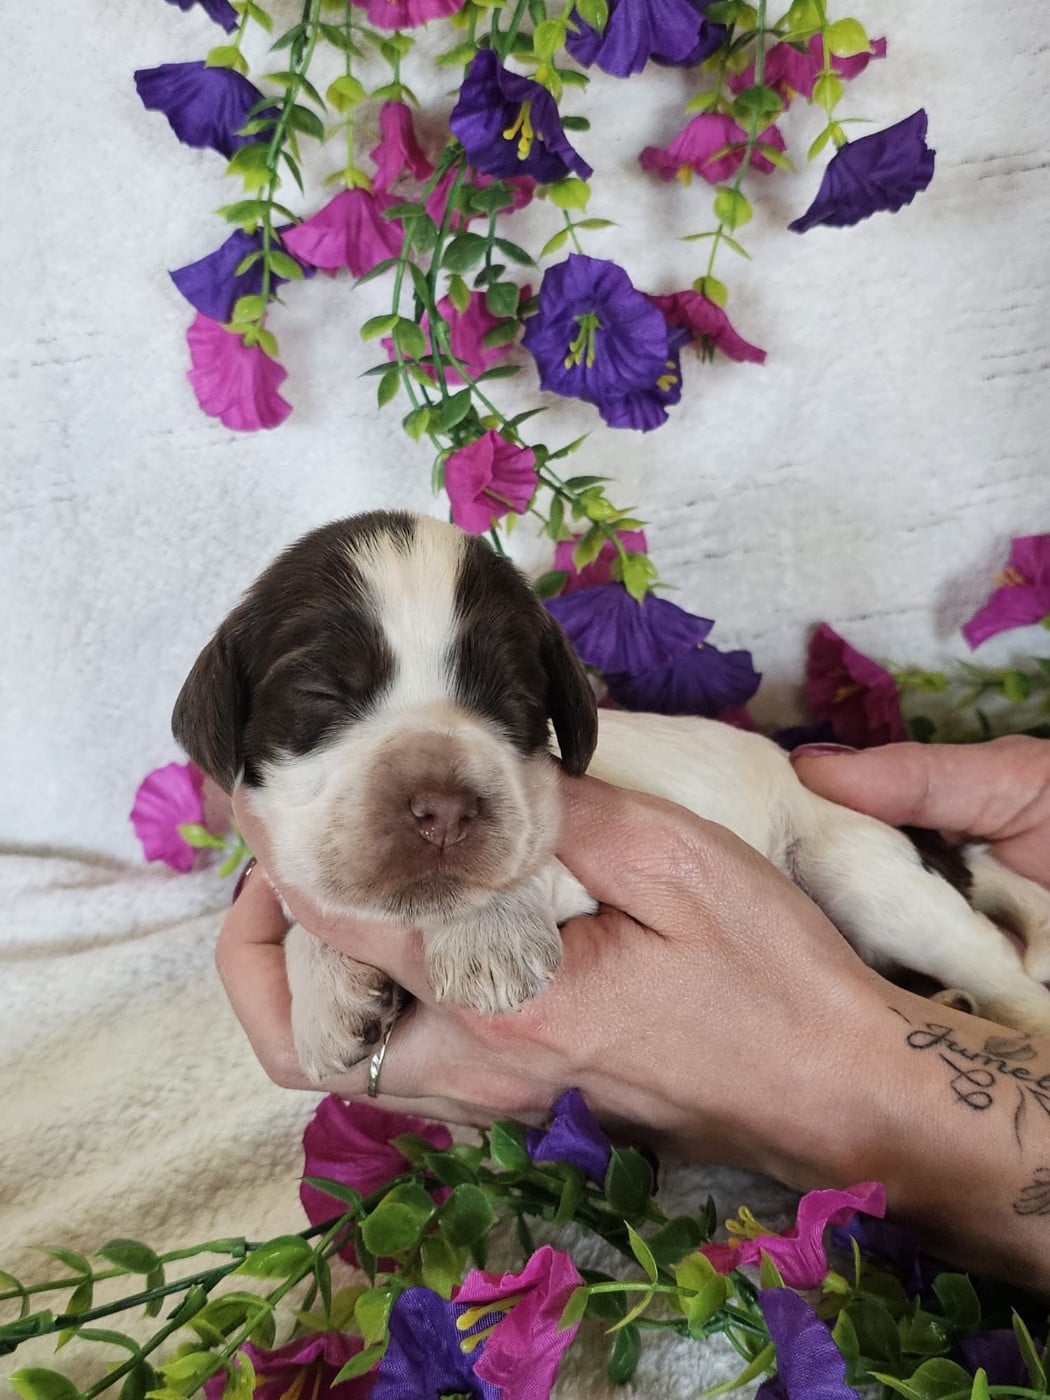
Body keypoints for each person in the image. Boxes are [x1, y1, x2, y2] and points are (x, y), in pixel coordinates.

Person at [218, 735, 1050, 1292]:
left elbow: (550, 898)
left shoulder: (520, 782)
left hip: (784, 832)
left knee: (879, 889)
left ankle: (1010, 995)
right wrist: (321, 943)